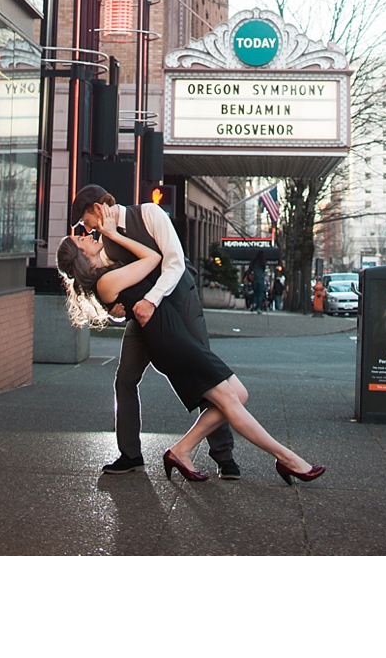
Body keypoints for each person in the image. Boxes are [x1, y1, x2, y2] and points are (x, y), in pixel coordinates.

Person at [59, 210, 324, 485]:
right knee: (230, 400)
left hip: (174, 331)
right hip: (168, 340)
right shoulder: (105, 281)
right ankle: (288, 460)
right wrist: (113, 234)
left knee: (239, 394)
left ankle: (181, 450)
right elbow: (153, 259)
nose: (87, 235)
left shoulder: (108, 270)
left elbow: (133, 287)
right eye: (80, 240)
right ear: (80, 257)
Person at [66, 187, 241, 479]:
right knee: (125, 379)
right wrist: (116, 311)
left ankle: (224, 456)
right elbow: (117, 291)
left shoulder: (150, 213)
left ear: (98, 208)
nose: (87, 229)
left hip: (179, 300)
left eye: (86, 221)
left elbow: (173, 262)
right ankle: (130, 454)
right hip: (145, 316)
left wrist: (151, 300)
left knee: (206, 374)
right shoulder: (105, 247)